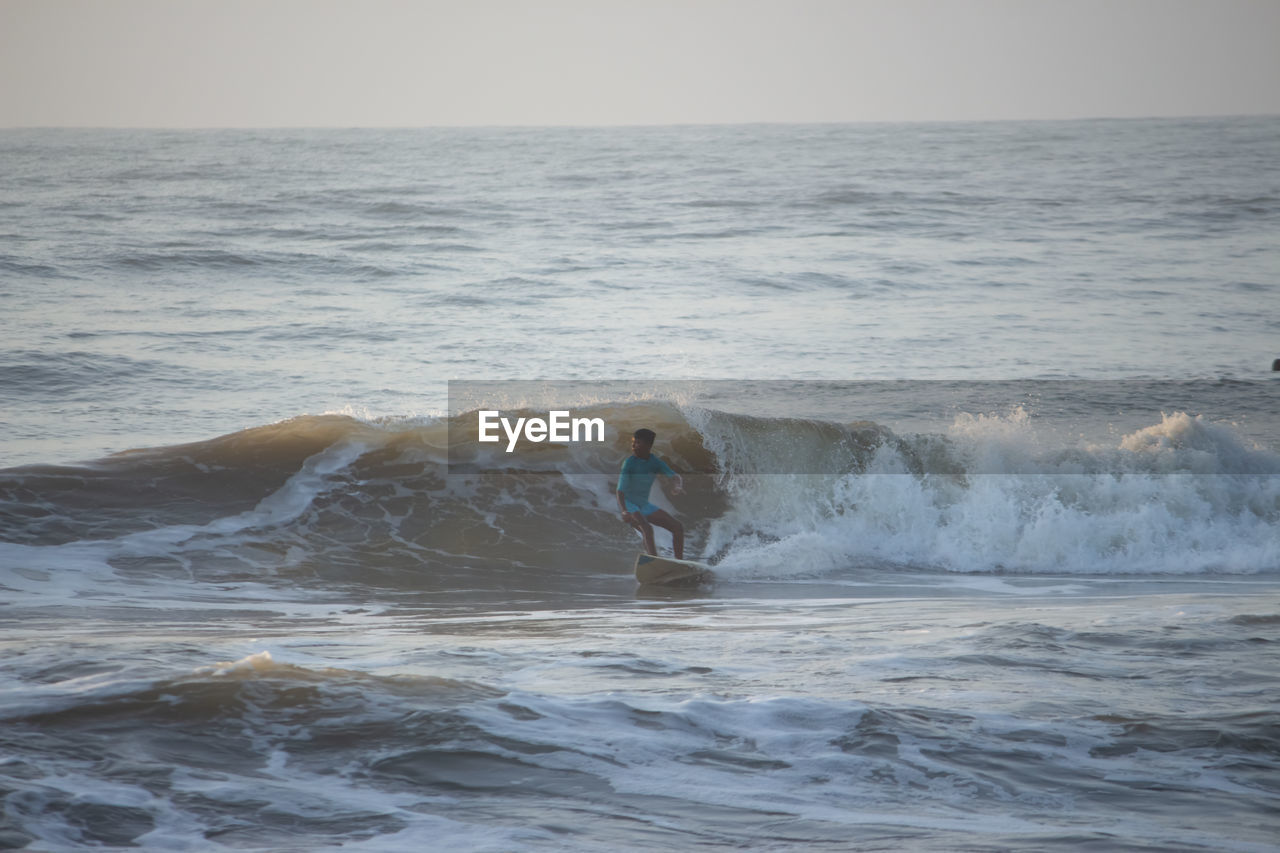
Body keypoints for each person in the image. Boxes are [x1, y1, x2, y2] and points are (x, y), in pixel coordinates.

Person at [616, 428, 684, 559]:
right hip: (629, 505)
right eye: (633, 442)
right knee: (646, 528)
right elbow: (620, 491)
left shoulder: (655, 462)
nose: (633, 446)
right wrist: (624, 510)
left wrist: (678, 485)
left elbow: (675, 477)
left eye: (638, 443)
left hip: (644, 505)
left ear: (648, 445)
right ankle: (653, 561)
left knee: (677, 527)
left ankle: (679, 563)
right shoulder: (629, 463)